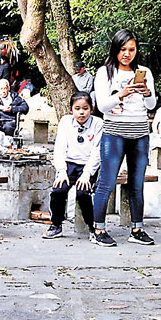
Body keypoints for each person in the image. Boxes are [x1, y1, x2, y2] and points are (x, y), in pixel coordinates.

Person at [91, 29, 157, 246]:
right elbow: (102, 106)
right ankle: (98, 229)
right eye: (122, 49)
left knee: (137, 184)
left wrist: (146, 93)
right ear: (115, 49)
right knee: (107, 182)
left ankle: (137, 228)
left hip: (140, 133)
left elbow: (151, 106)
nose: (127, 54)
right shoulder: (105, 72)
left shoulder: (144, 71)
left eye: (131, 49)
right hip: (114, 133)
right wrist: (122, 94)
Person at [43, 91, 103, 240]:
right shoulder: (65, 122)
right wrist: (62, 171)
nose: (81, 112)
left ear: (91, 109)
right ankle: (56, 224)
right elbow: (60, 147)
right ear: (71, 109)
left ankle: (92, 228)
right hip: (69, 164)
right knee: (58, 191)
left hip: (88, 164)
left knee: (83, 193)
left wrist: (87, 174)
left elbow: (97, 151)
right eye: (77, 108)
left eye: (85, 108)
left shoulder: (98, 124)